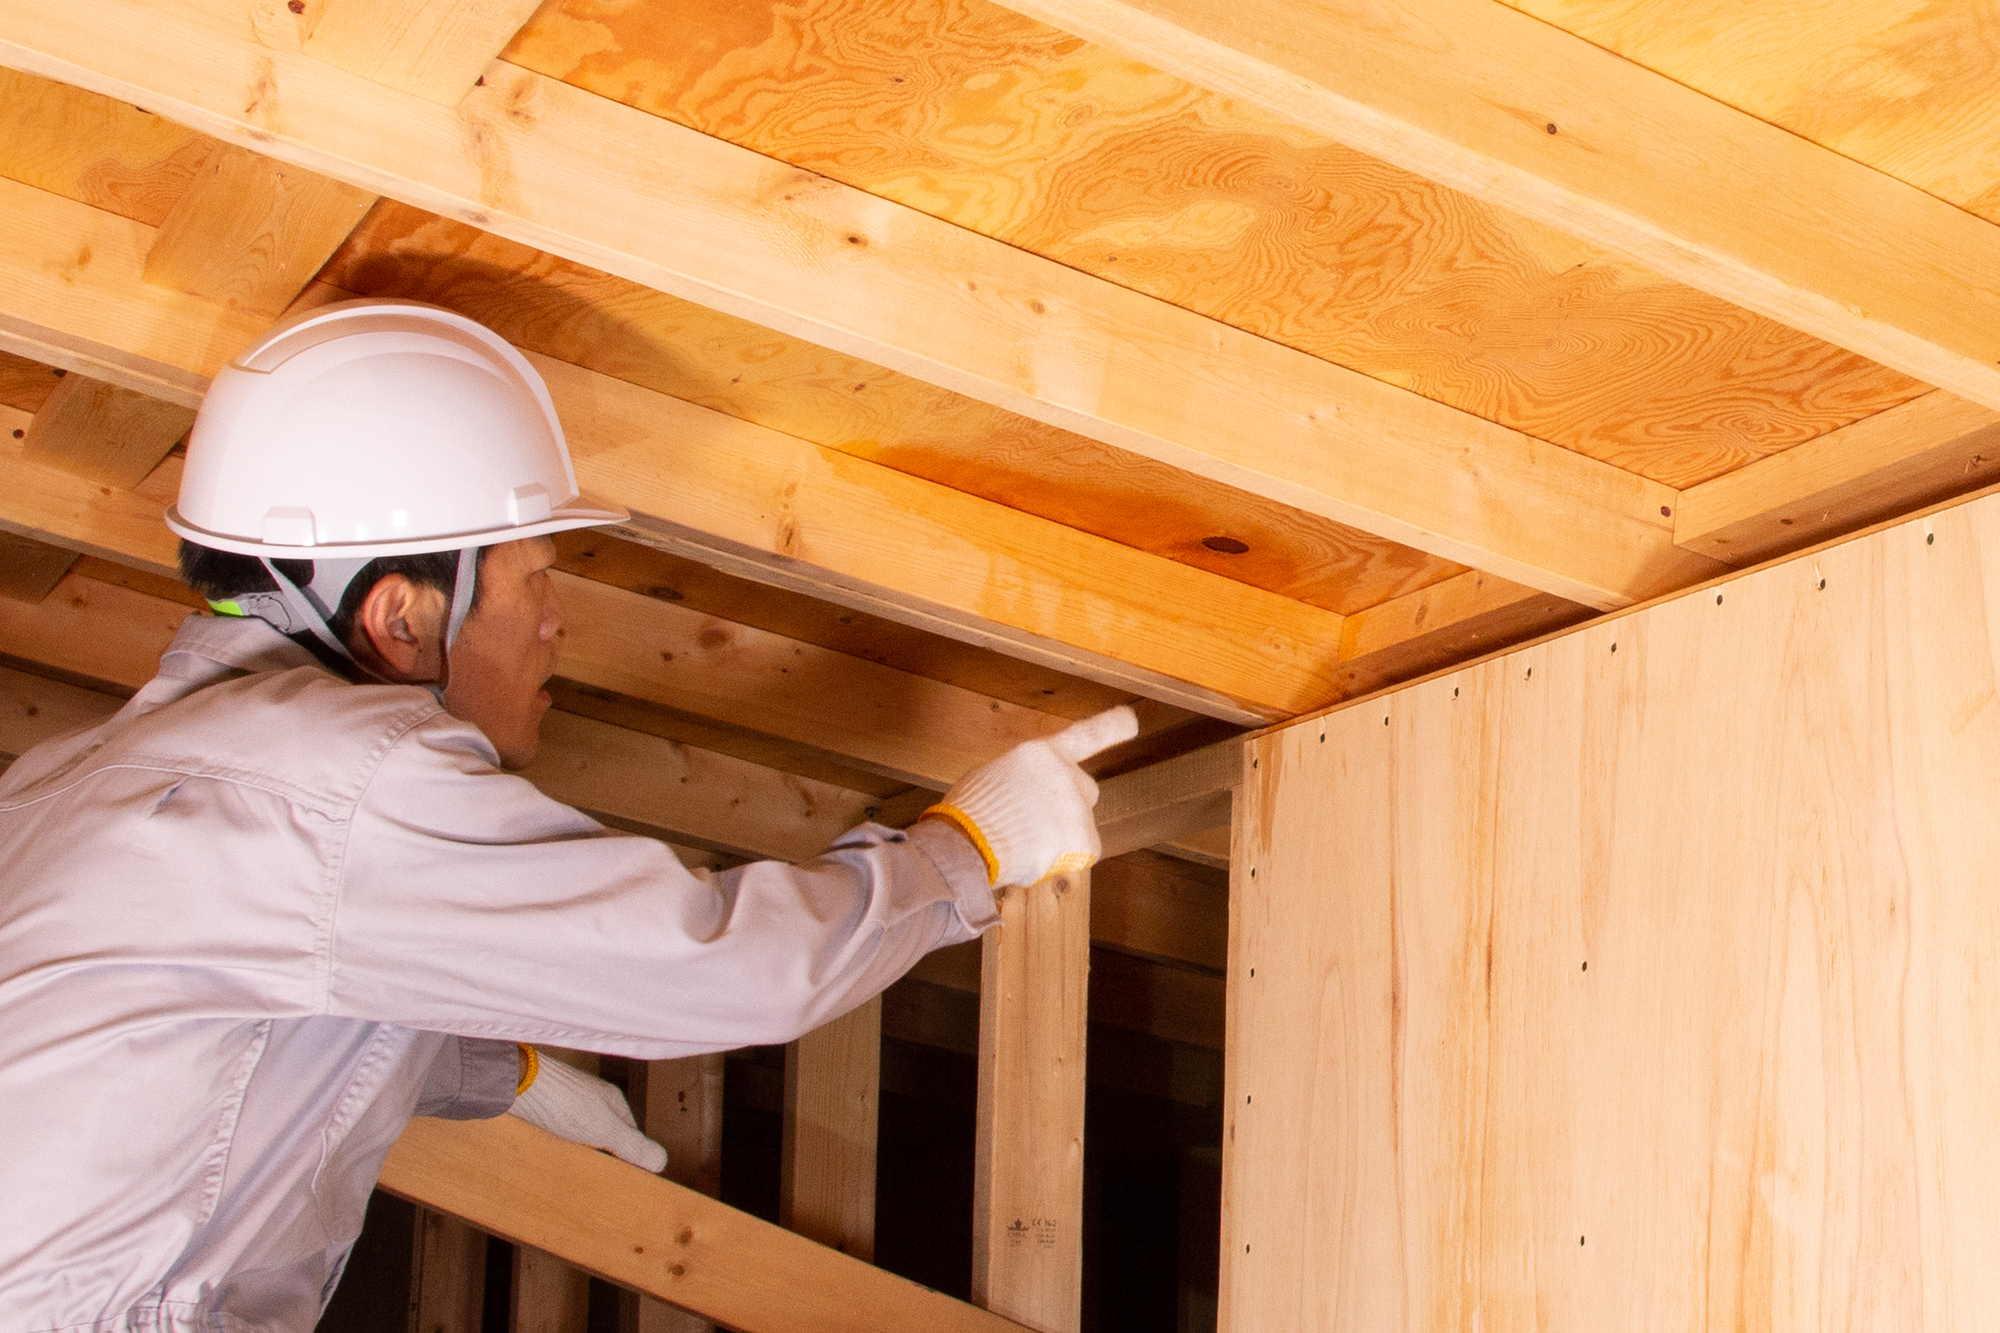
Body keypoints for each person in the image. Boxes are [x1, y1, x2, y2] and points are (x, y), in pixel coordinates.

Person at [0, 299, 1135, 1332]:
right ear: (401, 616)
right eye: (534, 580)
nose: (557, 626)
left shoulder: (66, 780)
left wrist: (510, 1078)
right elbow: (730, 969)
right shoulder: (335, 776)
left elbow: (242, 1013)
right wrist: (965, 852)